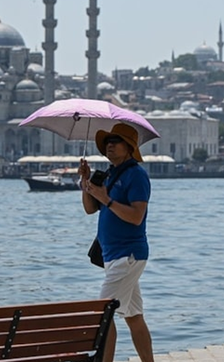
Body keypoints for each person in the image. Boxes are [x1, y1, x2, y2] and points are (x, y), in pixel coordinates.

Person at [77, 123, 154, 362]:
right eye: (107, 141)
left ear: (129, 147)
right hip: (113, 256)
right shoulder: (110, 174)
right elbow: (90, 209)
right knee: (133, 316)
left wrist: (106, 199)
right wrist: (86, 182)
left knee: (104, 314)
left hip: (128, 255)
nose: (110, 145)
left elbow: (136, 216)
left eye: (116, 141)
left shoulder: (137, 175)